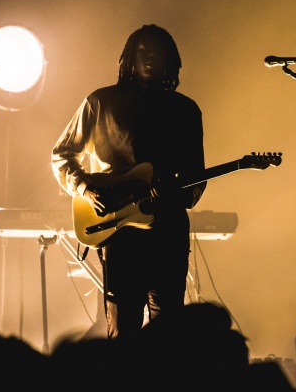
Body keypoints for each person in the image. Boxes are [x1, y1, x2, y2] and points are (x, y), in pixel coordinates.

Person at [51, 24, 207, 339]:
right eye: (143, 49)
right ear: (130, 56)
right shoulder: (101, 102)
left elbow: (195, 176)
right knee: (124, 332)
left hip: (168, 230)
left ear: (170, 58)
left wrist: (179, 195)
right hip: (121, 234)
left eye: (158, 50)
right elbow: (62, 155)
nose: (150, 56)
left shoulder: (186, 111)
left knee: (169, 332)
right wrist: (85, 188)